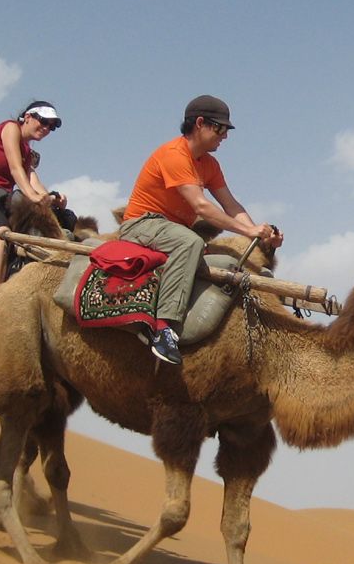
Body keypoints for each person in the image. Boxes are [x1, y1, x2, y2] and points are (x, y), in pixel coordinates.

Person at [119, 94, 283, 365]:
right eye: (220, 129)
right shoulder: (174, 155)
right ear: (199, 124)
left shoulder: (209, 164)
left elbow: (231, 204)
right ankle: (162, 329)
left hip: (173, 230)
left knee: (230, 264)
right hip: (143, 224)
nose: (224, 136)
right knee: (190, 243)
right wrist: (249, 231)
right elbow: (202, 207)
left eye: (226, 130)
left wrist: (260, 234)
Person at [0, 100, 70, 297]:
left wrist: (52, 198)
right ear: (27, 117)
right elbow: (16, 169)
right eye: (43, 121)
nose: (46, 128)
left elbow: (30, 179)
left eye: (51, 127)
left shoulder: (27, 151)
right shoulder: (10, 128)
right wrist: (33, 197)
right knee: (2, 235)